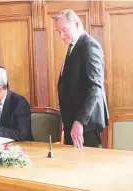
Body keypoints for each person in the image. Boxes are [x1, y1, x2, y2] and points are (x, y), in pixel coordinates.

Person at [55, 9, 109, 148]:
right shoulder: (73, 46)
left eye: (65, 30)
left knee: (87, 167)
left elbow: (95, 88)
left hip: (86, 124)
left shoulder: (90, 46)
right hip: (73, 122)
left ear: (77, 24)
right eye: (58, 32)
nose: (62, 35)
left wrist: (79, 122)